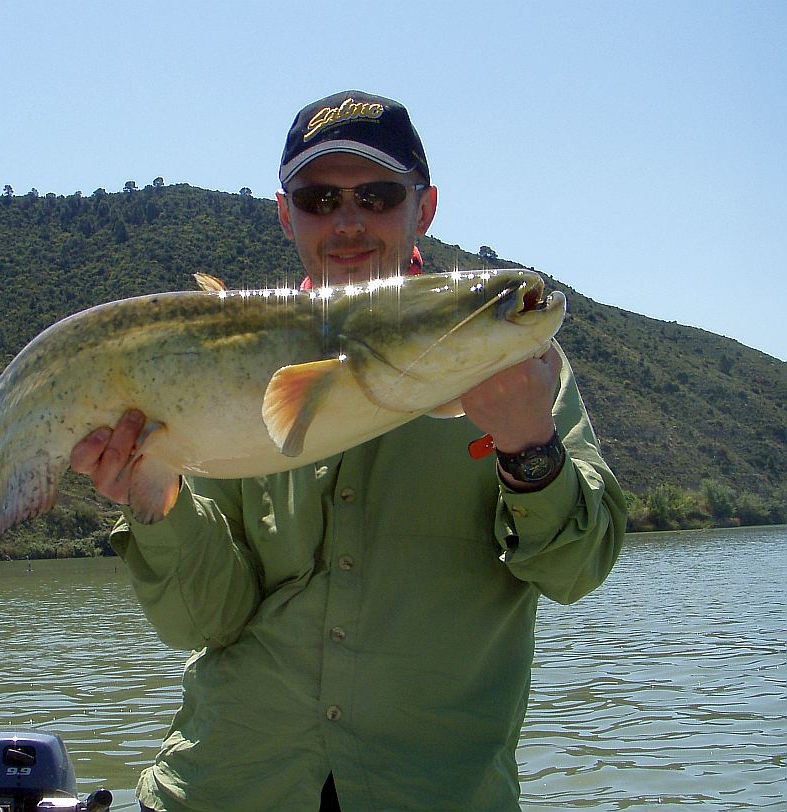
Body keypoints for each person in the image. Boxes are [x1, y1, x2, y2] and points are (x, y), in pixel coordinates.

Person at [71, 91, 626, 811]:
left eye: (377, 195)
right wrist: (155, 499)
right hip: (227, 789)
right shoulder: (229, 368)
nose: (348, 221)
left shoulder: (517, 361)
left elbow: (575, 570)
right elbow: (204, 622)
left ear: (424, 207)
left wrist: (528, 448)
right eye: (319, 199)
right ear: (286, 214)